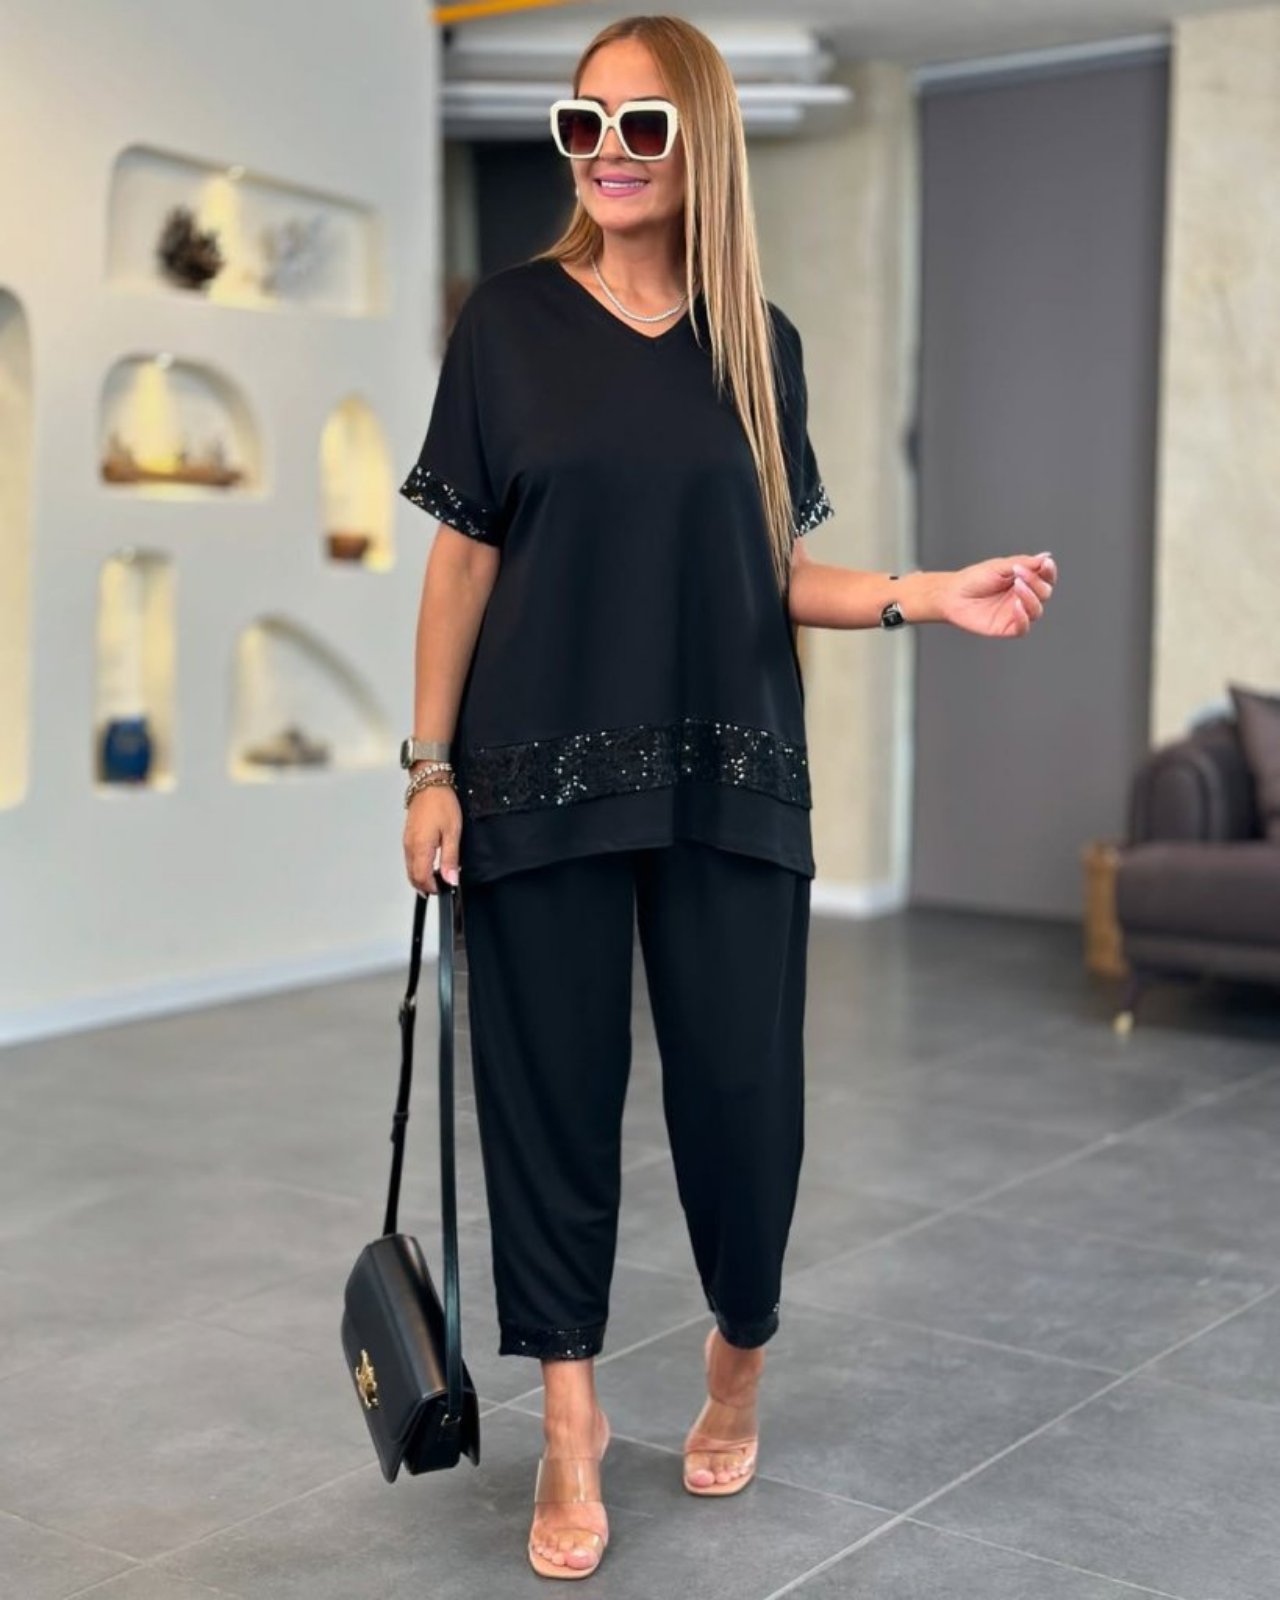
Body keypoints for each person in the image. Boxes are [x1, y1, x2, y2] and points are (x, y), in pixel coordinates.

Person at [399, 13, 1057, 1582]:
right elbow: (464, 558)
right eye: (583, 125)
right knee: (547, 1100)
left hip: (731, 767)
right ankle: (570, 1422)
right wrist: (428, 766)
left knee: (743, 1097)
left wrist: (925, 592)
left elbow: (773, 575)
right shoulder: (506, 325)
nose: (608, 155)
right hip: (535, 770)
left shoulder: (761, 343)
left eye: (642, 126)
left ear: (702, 142)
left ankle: (739, 1348)